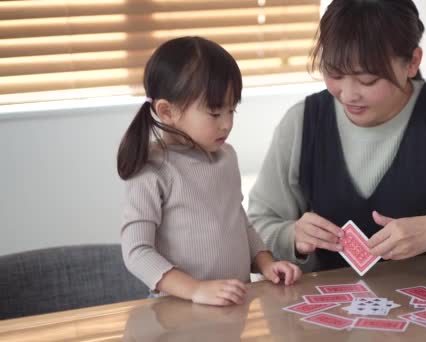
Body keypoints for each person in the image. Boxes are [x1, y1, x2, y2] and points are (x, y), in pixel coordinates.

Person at [247, 0, 426, 272]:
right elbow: (253, 229)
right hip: (327, 320)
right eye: (334, 74)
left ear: (412, 62)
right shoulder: (301, 122)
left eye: (367, 80)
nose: (347, 95)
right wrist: (290, 236)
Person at [117, 36, 302, 306]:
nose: (227, 124)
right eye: (215, 114)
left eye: (232, 110)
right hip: (178, 311)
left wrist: (266, 263)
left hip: (232, 305)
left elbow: (239, 222)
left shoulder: (226, 157)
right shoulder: (152, 170)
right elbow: (137, 252)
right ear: (167, 111)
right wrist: (195, 289)